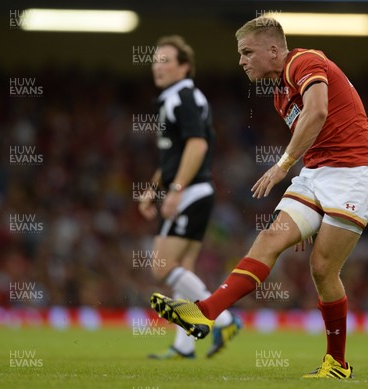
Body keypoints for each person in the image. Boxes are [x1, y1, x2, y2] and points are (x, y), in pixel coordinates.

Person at [151, 18, 368, 379]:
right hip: (318, 173)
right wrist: (310, 208)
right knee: (269, 238)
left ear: (274, 50)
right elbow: (316, 134)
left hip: (355, 174)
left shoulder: (304, 62)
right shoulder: (278, 93)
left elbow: (318, 112)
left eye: (248, 52)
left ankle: (337, 364)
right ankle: (204, 313)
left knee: (323, 268)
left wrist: (282, 166)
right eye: (240, 54)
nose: (242, 61)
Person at [139, 35, 240, 360]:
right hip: (195, 190)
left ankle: (223, 318)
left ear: (184, 66)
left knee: (160, 266)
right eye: (155, 59)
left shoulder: (182, 96)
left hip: (191, 191)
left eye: (166, 59)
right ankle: (185, 346)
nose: (158, 65)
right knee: (183, 267)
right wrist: (154, 190)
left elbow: (197, 145)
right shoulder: (175, 98)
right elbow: (176, 154)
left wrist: (176, 191)